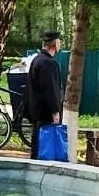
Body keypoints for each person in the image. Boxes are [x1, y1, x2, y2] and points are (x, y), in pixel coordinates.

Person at [24, 30, 64, 160]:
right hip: (45, 114)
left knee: (37, 145)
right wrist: (55, 112)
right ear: (56, 44)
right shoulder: (48, 63)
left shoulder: (37, 60)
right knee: (44, 149)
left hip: (36, 112)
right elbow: (51, 90)